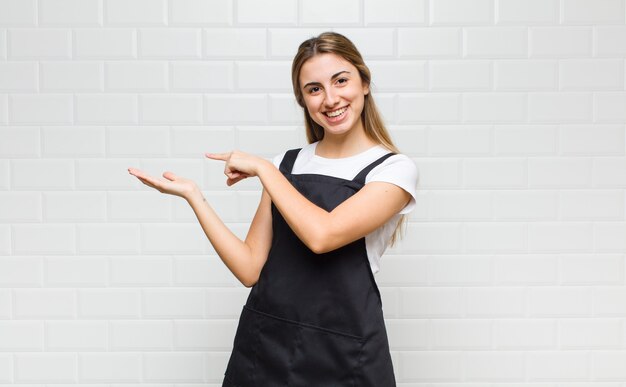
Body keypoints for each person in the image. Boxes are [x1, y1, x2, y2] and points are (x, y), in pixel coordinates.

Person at [128, 31, 418, 387]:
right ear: (304, 100)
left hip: (343, 354)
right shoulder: (288, 164)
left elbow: (322, 235)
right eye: (314, 89)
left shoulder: (393, 169)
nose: (330, 98)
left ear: (365, 82)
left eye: (340, 81)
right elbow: (250, 268)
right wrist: (195, 197)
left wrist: (266, 169)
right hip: (265, 346)